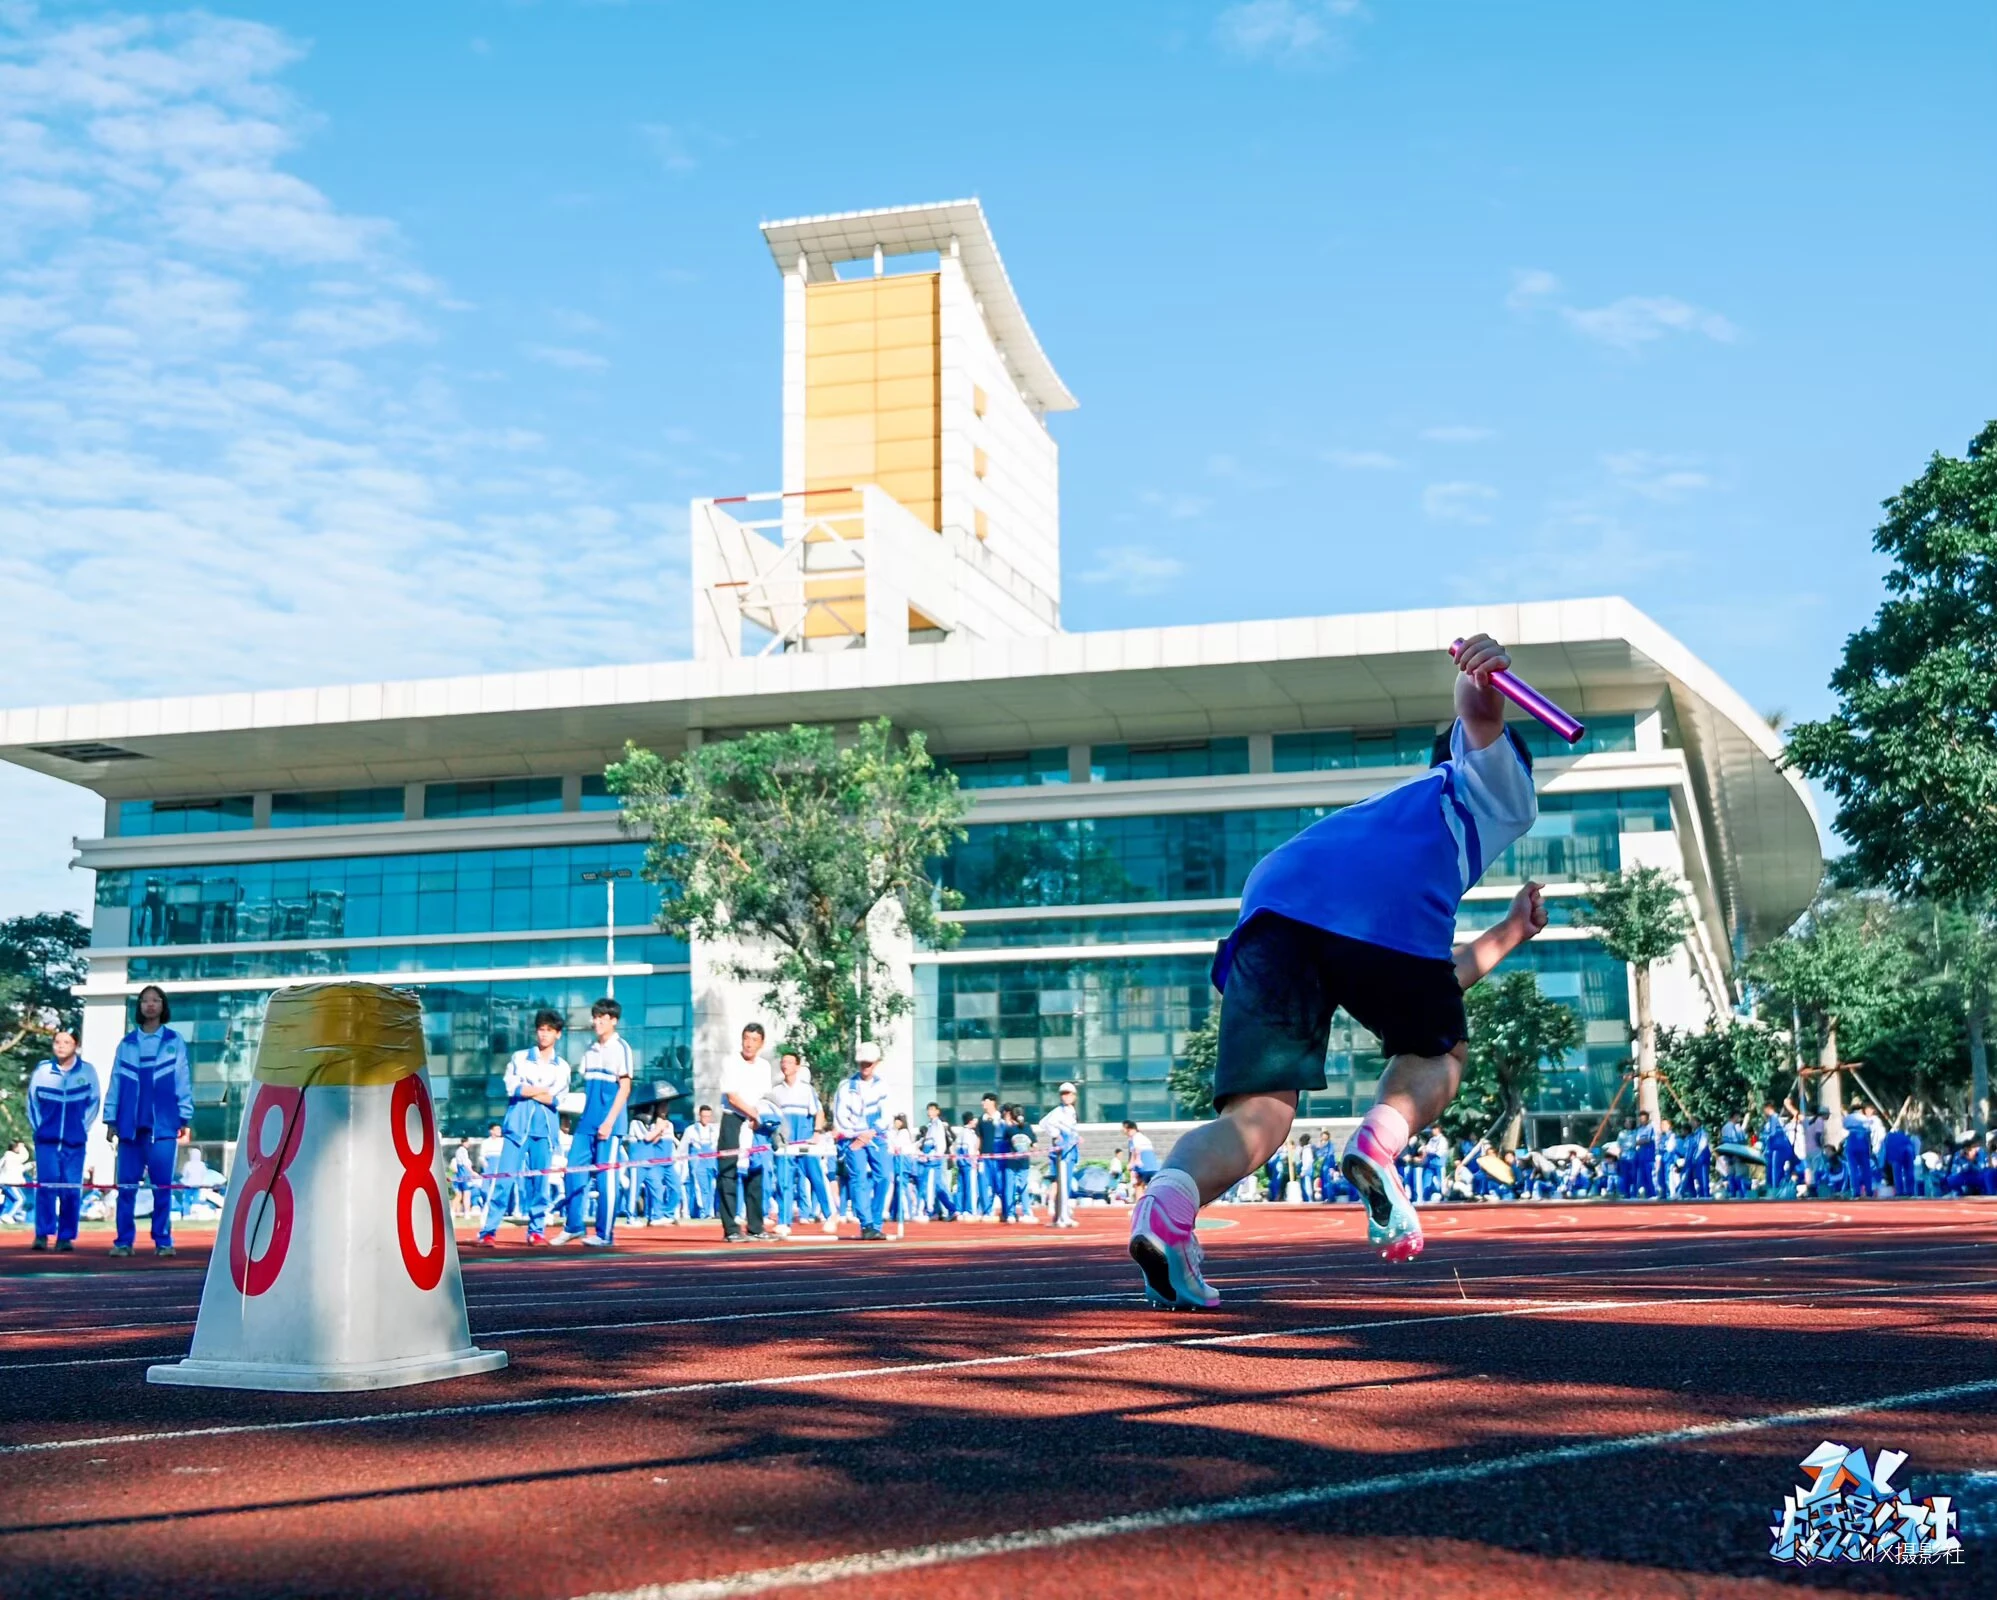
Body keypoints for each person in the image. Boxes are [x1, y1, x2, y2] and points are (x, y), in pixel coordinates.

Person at [1128, 634, 1546, 1310]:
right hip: (1375, 910)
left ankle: (1166, 1207)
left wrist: (1508, 932)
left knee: (1259, 1115)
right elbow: (1481, 720)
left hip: (1274, 901)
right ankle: (1377, 1147)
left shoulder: (1385, 816)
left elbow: (1426, 981)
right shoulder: (1496, 794)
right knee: (1441, 1049)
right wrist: (1482, 682)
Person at [105, 985, 192, 1259]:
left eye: (155, 1000)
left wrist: (184, 1115)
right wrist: (111, 1119)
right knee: (127, 1188)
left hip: (164, 1127)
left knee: (162, 1188)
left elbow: (182, 1078)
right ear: (139, 1007)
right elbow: (116, 1082)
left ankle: (163, 1241)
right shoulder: (127, 1044)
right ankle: (123, 1242)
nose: (150, 1005)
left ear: (163, 1006)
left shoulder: (173, 1041)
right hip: (130, 1128)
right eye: (145, 1000)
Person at [476, 1010, 567, 1246]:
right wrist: (541, 1091)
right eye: (541, 1029)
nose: (544, 1034)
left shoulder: (563, 1067)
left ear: (558, 1034)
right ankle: (488, 1231)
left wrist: (531, 1089)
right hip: (517, 1128)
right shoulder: (519, 1058)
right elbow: (513, 1088)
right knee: (504, 1180)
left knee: (540, 1183)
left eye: (549, 1030)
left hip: (545, 1131)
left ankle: (536, 1231)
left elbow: (556, 1100)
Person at [562, 997, 633, 1248]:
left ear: (613, 1021)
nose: (597, 1022)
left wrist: (609, 1122)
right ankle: (573, 1226)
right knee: (572, 1171)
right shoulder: (590, 1050)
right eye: (595, 1017)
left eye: (603, 1018)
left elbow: (625, 1087)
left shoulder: (621, 1048)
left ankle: (604, 1234)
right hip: (586, 1123)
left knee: (606, 1180)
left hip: (609, 1125)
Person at [27, 1028, 99, 1253]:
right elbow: (32, 1104)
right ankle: (42, 1234)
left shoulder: (87, 1072)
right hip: (47, 1142)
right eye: (57, 1042)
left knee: (70, 1189)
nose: (60, 1046)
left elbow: (93, 1104)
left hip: (74, 1142)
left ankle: (65, 1236)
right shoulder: (43, 1072)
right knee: (46, 1187)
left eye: (66, 1042)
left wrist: (79, 1129)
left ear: (75, 1045)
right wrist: (41, 1129)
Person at [717, 1022, 774, 1243]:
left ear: (761, 1043)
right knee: (728, 1173)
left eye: (754, 1040)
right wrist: (753, 1114)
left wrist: (760, 1118)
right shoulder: (730, 1062)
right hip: (733, 1120)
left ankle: (756, 1226)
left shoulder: (764, 1066)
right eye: (746, 1039)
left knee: (756, 1173)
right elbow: (732, 1097)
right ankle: (731, 1228)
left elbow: (765, 1097)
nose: (749, 1044)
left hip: (755, 1123)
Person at [833, 1042, 891, 1240]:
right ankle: (867, 1225)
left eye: (869, 1063)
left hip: (876, 1137)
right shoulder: (845, 1087)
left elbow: (887, 1115)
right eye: (862, 1063)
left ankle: (876, 1222)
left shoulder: (883, 1086)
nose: (865, 1067)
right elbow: (840, 1117)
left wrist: (871, 1132)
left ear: (877, 1063)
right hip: (853, 1139)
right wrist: (854, 1136)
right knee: (859, 1179)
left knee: (884, 1176)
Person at [770, 1053, 832, 1235]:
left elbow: (819, 1112)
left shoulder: (806, 1090)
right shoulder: (776, 1091)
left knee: (816, 1178)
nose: (785, 1065)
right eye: (783, 1062)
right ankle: (784, 1221)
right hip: (785, 1146)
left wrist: (817, 1132)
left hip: (805, 1144)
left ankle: (830, 1215)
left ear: (797, 1066)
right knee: (784, 1182)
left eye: (789, 1062)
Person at [1040, 1082, 1082, 1228]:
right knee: (1063, 1184)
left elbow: (1071, 1130)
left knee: (1066, 1184)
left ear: (1074, 1096)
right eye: (1063, 1094)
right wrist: (1056, 1135)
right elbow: (1044, 1123)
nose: (1066, 1096)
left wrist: (1076, 1137)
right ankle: (1062, 1216)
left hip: (1070, 1151)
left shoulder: (1071, 1111)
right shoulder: (1058, 1111)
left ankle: (1062, 1215)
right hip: (1063, 1153)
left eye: (1069, 1093)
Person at [955, 1113, 982, 1218]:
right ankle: (970, 1210)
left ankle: (959, 1209)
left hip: (960, 1162)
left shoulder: (961, 1132)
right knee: (970, 1187)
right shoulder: (970, 1133)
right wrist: (973, 1161)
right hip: (968, 1163)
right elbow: (970, 1148)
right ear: (970, 1121)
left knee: (961, 1187)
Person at [1122, 1121, 1159, 1196]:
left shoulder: (1134, 1138)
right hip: (1153, 1166)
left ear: (1128, 1128)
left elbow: (1136, 1150)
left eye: (1123, 1128)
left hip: (1142, 1165)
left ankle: (1139, 1205)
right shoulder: (1144, 1138)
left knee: (1138, 1185)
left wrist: (1132, 1164)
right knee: (1148, 1186)